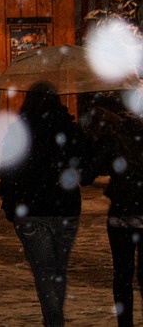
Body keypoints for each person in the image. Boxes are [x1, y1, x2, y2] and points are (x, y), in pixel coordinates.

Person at [0, 83, 90, 327]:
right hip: (65, 208)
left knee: (44, 273)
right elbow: (87, 170)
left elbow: (7, 171)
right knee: (59, 270)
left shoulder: (20, 131)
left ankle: (53, 320)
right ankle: (54, 318)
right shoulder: (69, 130)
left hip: (31, 209)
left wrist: (10, 205)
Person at [85, 96, 143, 327]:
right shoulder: (137, 131)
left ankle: (125, 322)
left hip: (121, 211)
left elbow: (87, 175)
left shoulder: (110, 139)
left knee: (122, 274)